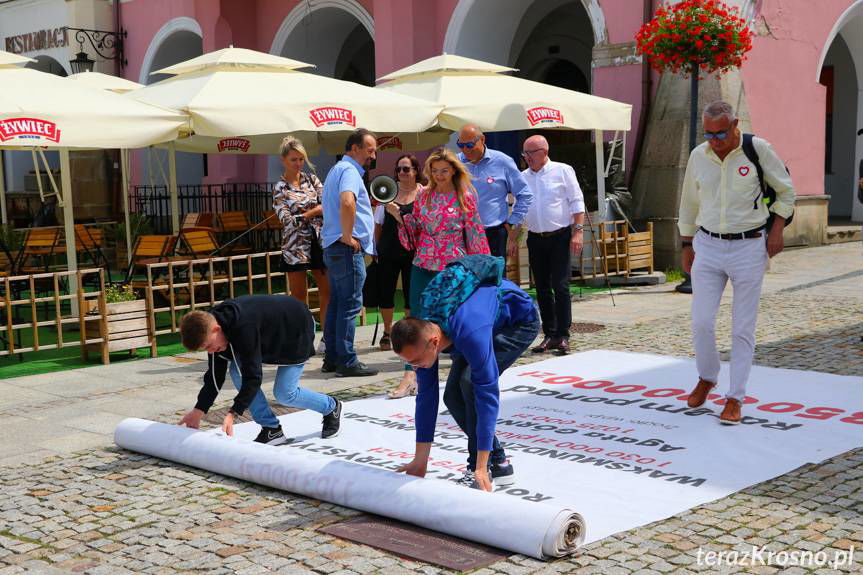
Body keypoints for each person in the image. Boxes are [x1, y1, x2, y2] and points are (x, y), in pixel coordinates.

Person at [679, 101, 795, 425]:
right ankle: (707, 376)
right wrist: (686, 244)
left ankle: (735, 397)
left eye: (720, 133)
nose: (714, 140)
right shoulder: (698, 155)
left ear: (734, 125)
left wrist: (777, 230)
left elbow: (786, 193)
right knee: (701, 321)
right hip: (708, 244)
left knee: (742, 327)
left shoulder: (757, 149)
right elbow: (688, 202)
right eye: (708, 133)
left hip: (749, 247)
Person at [391, 255, 540, 491]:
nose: (416, 367)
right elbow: (426, 398)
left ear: (434, 342)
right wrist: (420, 461)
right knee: (452, 397)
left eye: (417, 361)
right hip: (473, 325)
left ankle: (483, 467)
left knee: (470, 383)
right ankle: (500, 461)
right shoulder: (425, 331)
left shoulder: (471, 329)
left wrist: (479, 467)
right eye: (410, 364)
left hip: (517, 323)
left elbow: (488, 395)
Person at [177, 295, 342, 444]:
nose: (211, 352)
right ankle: (272, 430)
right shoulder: (212, 327)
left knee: (285, 393)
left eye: (209, 346)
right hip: (270, 332)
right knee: (236, 370)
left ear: (216, 329)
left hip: (296, 327)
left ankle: (331, 407)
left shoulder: (242, 327)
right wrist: (198, 411)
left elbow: (253, 376)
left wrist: (233, 412)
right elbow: (214, 376)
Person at [393, 147, 490, 322]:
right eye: (435, 171)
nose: (439, 175)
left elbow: (475, 234)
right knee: (420, 311)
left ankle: (452, 347)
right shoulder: (423, 194)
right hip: (422, 262)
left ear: (453, 170)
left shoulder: (465, 196)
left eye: (444, 170)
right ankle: (424, 349)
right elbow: (414, 229)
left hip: (452, 265)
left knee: (450, 312)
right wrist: (399, 216)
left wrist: (480, 266)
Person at [320, 128, 379, 377]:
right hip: (345, 247)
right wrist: (347, 235)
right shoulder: (349, 170)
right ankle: (347, 360)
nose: (373, 155)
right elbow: (347, 201)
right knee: (349, 305)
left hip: (334, 246)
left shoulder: (338, 169)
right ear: (354, 148)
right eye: (370, 149)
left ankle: (332, 358)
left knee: (337, 304)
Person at [522, 135, 585, 355]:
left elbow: (577, 200)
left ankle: (563, 335)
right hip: (535, 237)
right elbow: (518, 207)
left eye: (530, 153)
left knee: (560, 285)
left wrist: (578, 232)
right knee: (541, 287)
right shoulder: (523, 177)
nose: (526, 157)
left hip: (560, 235)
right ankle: (549, 334)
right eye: (525, 153)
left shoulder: (562, 170)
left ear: (544, 152)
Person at [272, 136, 329, 354]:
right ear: (284, 160)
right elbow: (284, 217)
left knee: (327, 290)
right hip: (295, 245)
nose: (298, 163)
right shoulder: (279, 186)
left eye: (301, 159)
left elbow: (327, 203)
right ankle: (302, 338)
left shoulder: (312, 179)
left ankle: (327, 337)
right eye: (294, 159)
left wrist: (308, 213)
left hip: (319, 240)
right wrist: (311, 212)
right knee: (298, 295)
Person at [374, 154, 421, 398]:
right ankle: (388, 329)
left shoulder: (423, 194)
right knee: (386, 290)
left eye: (406, 169)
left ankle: (409, 331)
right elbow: (378, 224)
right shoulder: (387, 193)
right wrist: (376, 248)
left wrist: (398, 215)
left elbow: (420, 225)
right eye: (399, 169)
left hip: (413, 251)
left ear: (415, 171)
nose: (402, 173)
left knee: (412, 293)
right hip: (389, 249)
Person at [457, 124, 532, 259]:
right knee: (467, 279)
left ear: (482, 139)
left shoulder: (503, 161)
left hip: (494, 235)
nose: (465, 150)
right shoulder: (454, 163)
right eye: (460, 145)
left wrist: (512, 221)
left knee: (495, 279)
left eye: (469, 145)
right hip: (462, 235)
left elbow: (525, 194)